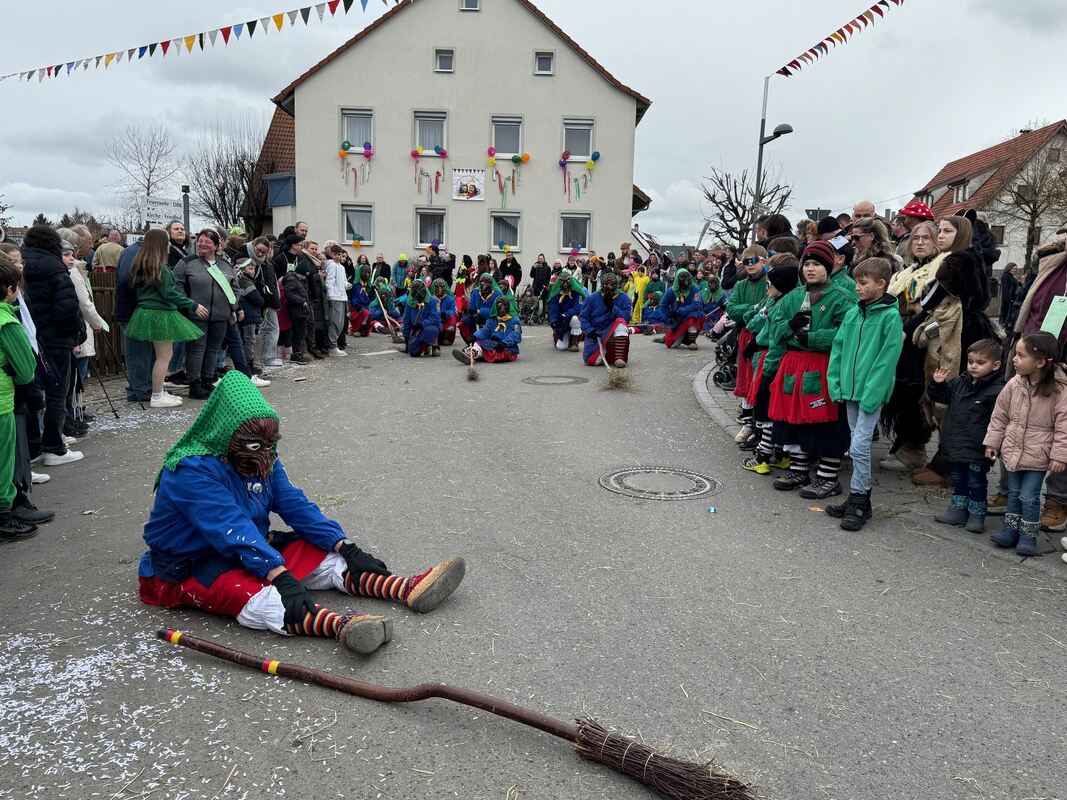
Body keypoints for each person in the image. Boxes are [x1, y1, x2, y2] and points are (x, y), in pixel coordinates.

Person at [139, 372, 465, 653]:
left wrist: (345, 545)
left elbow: (294, 504)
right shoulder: (189, 471)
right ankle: (339, 626)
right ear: (228, 434)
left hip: (252, 547)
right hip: (193, 563)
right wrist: (279, 576)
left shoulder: (264, 457)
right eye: (256, 444)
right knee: (253, 596)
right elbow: (231, 528)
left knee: (321, 554)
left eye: (270, 443)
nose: (266, 453)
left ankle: (401, 588)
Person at [767, 242, 854, 498]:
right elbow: (775, 327)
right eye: (807, 264)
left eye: (817, 264)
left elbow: (847, 333)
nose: (811, 269)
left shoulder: (842, 297)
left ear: (828, 266)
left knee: (824, 422)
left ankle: (828, 477)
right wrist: (790, 328)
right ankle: (799, 469)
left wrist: (813, 337)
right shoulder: (793, 297)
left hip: (823, 366)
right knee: (794, 419)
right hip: (794, 366)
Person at [825, 258, 904, 531]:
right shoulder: (853, 314)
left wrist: (873, 393)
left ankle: (859, 499)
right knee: (856, 446)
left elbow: (887, 358)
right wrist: (834, 382)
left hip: (870, 393)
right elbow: (838, 349)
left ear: (881, 284)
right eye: (857, 281)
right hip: (849, 390)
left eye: (863, 282)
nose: (857, 287)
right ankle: (859, 499)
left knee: (859, 447)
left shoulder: (890, 317)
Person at [997, 234, 1067, 531]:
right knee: (1016, 420)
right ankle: (1008, 490)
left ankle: (1057, 500)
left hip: (1061, 362)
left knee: (1058, 428)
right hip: (1030, 356)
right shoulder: (1052, 259)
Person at [985, 333, 1067, 556]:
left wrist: (1059, 455)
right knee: (1013, 493)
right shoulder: (1014, 384)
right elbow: (1000, 414)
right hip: (1012, 449)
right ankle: (1010, 530)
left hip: (1038, 453)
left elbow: (1064, 425)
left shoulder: (1059, 389)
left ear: (1040, 362)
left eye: (1021, 355)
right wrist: (993, 441)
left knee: (1029, 495)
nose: (1014, 359)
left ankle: (1028, 535)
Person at [881, 221, 945, 473]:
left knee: (921, 397)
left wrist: (909, 329)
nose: (919, 242)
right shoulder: (904, 273)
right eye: (916, 237)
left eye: (926, 238)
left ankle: (915, 449)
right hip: (902, 338)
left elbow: (936, 309)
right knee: (903, 395)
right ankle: (907, 442)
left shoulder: (942, 269)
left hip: (925, 340)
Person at [21, 225, 84, 466]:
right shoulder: (55, 267)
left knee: (32, 394)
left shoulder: (20, 263)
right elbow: (67, 308)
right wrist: (73, 335)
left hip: (31, 337)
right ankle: (54, 447)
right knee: (58, 392)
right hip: (56, 339)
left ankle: (34, 446)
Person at [926, 339, 1004, 533]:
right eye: (970, 362)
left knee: (976, 480)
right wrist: (938, 385)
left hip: (978, 447)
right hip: (956, 443)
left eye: (980, 363)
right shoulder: (960, 381)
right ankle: (957, 509)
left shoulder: (998, 390)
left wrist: (992, 445)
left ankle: (977, 513)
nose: (974, 366)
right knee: (958, 477)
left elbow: (999, 421)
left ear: (995, 365)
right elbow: (941, 397)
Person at [126, 229, 210, 408]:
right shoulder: (161, 270)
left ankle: (158, 392)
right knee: (164, 357)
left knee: (159, 356)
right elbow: (170, 294)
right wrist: (192, 305)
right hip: (160, 314)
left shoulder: (141, 266)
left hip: (147, 312)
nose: (170, 244)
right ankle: (157, 396)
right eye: (167, 241)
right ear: (161, 244)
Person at [740, 257, 800, 474]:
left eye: (772, 285)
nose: (768, 288)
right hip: (769, 356)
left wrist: (768, 370)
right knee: (771, 410)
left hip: (770, 359)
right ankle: (779, 454)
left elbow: (774, 339)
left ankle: (763, 456)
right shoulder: (781, 303)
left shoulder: (779, 308)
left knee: (765, 410)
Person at [0, 258, 42, 541]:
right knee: (4, 458)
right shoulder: (7, 321)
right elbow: (26, 368)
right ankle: (5, 514)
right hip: (4, 401)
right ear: (10, 288)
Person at [173, 230, 240, 400]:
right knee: (196, 349)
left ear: (217, 246)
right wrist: (189, 305)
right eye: (200, 241)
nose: (203, 244)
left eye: (207, 242)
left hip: (220, 315)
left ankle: (207, 380)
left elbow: (235, 288)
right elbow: (177, 285)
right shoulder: (187, 263)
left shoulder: (225, 265)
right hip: (196, 315)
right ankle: (194, 384)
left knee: (213, 349)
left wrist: (234, 307)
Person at [726, 246, 769, 437]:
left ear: (764, 261)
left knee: (758, 377)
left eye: (754, 261)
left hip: (764, 337)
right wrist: (753, 307)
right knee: (745, 375)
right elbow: (732, 309)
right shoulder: (741, 285)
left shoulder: (770, 283)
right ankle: (747, 422)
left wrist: (748, 311)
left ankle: (759, 424)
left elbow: (769, 309)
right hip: (745, 334)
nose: (749, 265)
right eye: (745, 262)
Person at [579, 269, 632, 368]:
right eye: (606, 285)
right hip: (596, 334)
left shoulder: (624, 298)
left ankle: (618, 357)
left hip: (612, 331)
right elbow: (583, 317)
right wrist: (590, 331)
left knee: (620, 322)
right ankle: (605, 353)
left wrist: (612, 307)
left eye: (612, 285)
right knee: (592, 361)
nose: (609, 288)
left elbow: (626, 318)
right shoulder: (592, 298)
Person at [453, 295, 521, 365]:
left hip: (507, 347)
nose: (502, 308)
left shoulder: (514, 320)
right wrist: (475, 336)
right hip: (493, 343)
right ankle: (471, 354)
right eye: (500, 305)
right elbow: (485, 330)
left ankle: (474, 354)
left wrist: (505, 343)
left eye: (505, 305)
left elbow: (515, 334)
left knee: (499, 354)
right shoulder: (493, 319)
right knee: (479, 341)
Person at [657, 268, 704, 350]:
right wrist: (668, 316)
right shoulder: (671, 291)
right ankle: (678, 336)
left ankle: (691, 341)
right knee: (671, 344)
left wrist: (681, 311)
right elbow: (663, 304)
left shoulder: (695, 289)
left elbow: (696, 305)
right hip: (677, 318)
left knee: (694, 318)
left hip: (690, 316)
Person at [547, 269, 586, 352]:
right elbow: (554, 308)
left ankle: (574, 343)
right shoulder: (556, 293)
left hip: (573, 316)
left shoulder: (577, 292)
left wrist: (566, 314)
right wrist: (554, 321)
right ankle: (560, 336)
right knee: (561, 347)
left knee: (575, 319)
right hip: (563, 320)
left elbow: (577, 308)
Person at [401, 281, 441, 358]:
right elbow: (406, 319)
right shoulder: (410, 302)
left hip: (429, 327)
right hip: (415, 328)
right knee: (413, 352)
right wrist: (406, 337)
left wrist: (422, 324)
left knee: (428, 331)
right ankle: (422, 346)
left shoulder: (433, 301)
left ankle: (433, 345)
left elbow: (435, 318)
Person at [459, 273, 501, 344]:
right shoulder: (475, 292)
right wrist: (475, 315)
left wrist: (480, 312)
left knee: (487, 328)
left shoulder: (498, 294)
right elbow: (471, 307)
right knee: (465, 321)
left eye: (487, 282)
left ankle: (485, 344)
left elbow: (496, 311)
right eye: (482, 282)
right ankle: (471, 342)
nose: (484, 284)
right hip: (477, 316)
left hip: (492, 318)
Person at [324, 245, 350, 357]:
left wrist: (347, 285)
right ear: (332, 254)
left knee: (341, 324)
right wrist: (331, 296)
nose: (338, 257)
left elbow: (343, 281)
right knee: (335, 323)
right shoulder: (331, 265)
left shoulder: (342, 267)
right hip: (335, 298)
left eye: (340, 254)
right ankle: (332, 346)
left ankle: (334, 345)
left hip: (342, 297)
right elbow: (329, 281)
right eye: (335, 254)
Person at [431, 278, 458, 350]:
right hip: (434, 321)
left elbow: (454, 311)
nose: (439, 290)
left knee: (452, 319)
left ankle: (448, 338)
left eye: (441, 287)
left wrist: (446, 313)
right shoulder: (431, 298)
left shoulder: (450, 299)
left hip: (445, 321)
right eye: (437, 287)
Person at [349, 261, 374, 337]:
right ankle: (356, 329)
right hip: (356, 306)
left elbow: (370, 298)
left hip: (365, 305)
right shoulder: (356, 284)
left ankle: (362, 329)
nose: (366, 274)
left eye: (368, 272)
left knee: (367, 313)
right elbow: (353, 297)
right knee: (365, 313)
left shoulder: (368, 286)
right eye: (364, 272)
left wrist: (373, 291)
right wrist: (357, 305)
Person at [998, 263, 1022, 330]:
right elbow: (1005, 289)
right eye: (1013, 268)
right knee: (1005, 316)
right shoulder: (1006, 276)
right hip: (1007, 301)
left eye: (1015, 269)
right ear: (1009, 268)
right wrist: (1008, 299)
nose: (1015, 270)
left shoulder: (1011, 277)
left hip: (1011, 300)